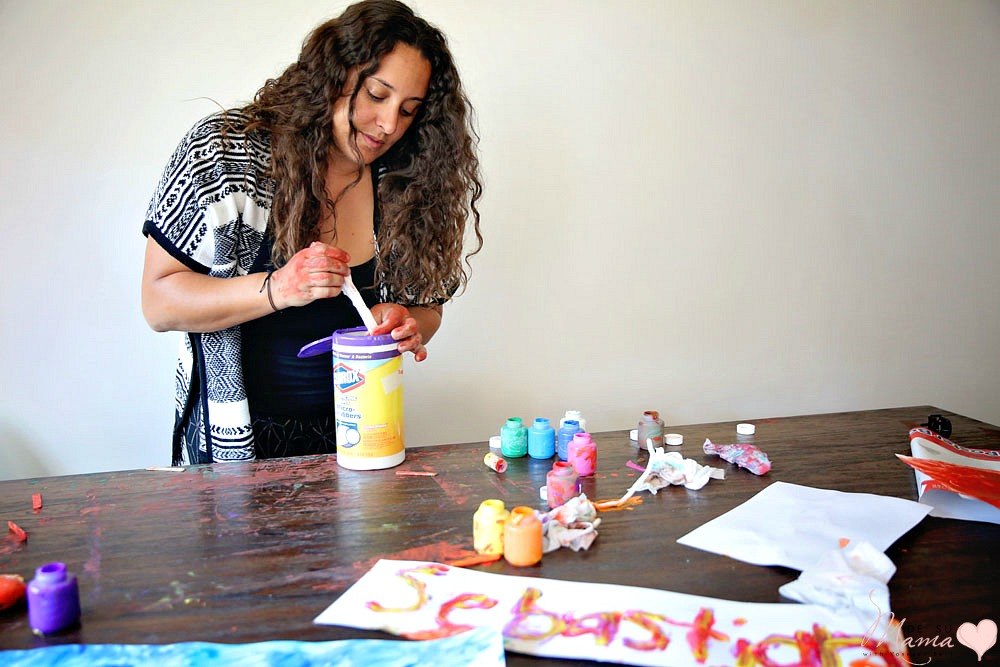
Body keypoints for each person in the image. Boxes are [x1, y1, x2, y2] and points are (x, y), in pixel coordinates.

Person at [141, 0, 482, 465]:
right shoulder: (226, 155)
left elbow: (428, 311)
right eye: (377, 95)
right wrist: (278, 288)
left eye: (408, 110)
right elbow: (159, 303)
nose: (388, 126)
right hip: (232, 444)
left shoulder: (405, 180)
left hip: (358, 444)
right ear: (335, 75)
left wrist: (407, 323)